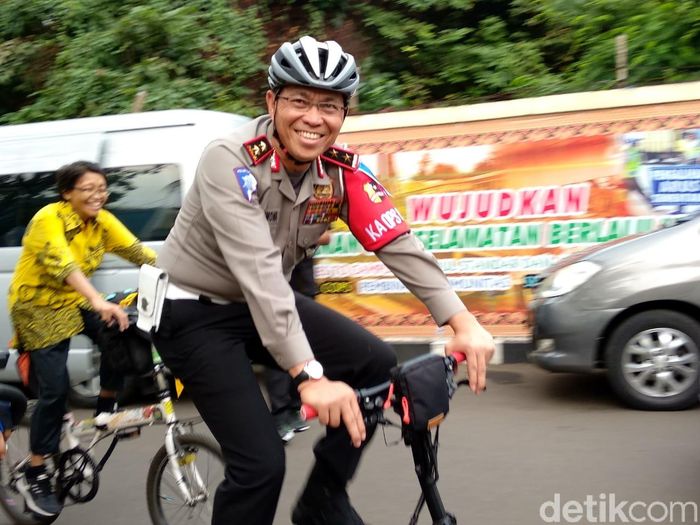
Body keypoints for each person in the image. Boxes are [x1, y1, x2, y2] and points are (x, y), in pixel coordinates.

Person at [151, 35, 494, 525]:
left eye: (329, 106)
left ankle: (322, 498)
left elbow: (396, 240)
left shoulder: (338, 170)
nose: (314, 118)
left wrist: (461, 320)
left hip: (257, 307)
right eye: (299, 101)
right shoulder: (229, 160)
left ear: (344, 114)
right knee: (260, 463)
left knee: (376, 363)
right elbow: (261, 272)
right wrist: (310, 376)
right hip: (192, 313)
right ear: (271, 102)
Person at [7, 160, 156, 517]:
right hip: (36, 306)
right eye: (87, 189)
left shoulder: (101, 221)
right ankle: (36, 468)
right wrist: (97, 301)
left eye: (101, 188)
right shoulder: (49, 219)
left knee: (122, 329)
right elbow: (65, 266)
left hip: (73, 300)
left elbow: (141, 253)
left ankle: (106, 407)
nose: (97, 195)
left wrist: (184, 277)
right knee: (55, 391)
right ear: (66, 193)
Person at [265, 230, 330, 443]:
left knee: (304, 351)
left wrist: (301, 234)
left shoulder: (316, 201)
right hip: (278, 286)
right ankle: (279, 415)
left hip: (304, 284)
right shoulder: (272, 202)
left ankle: (294, 408)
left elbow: (326, 236)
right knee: (280, 353)